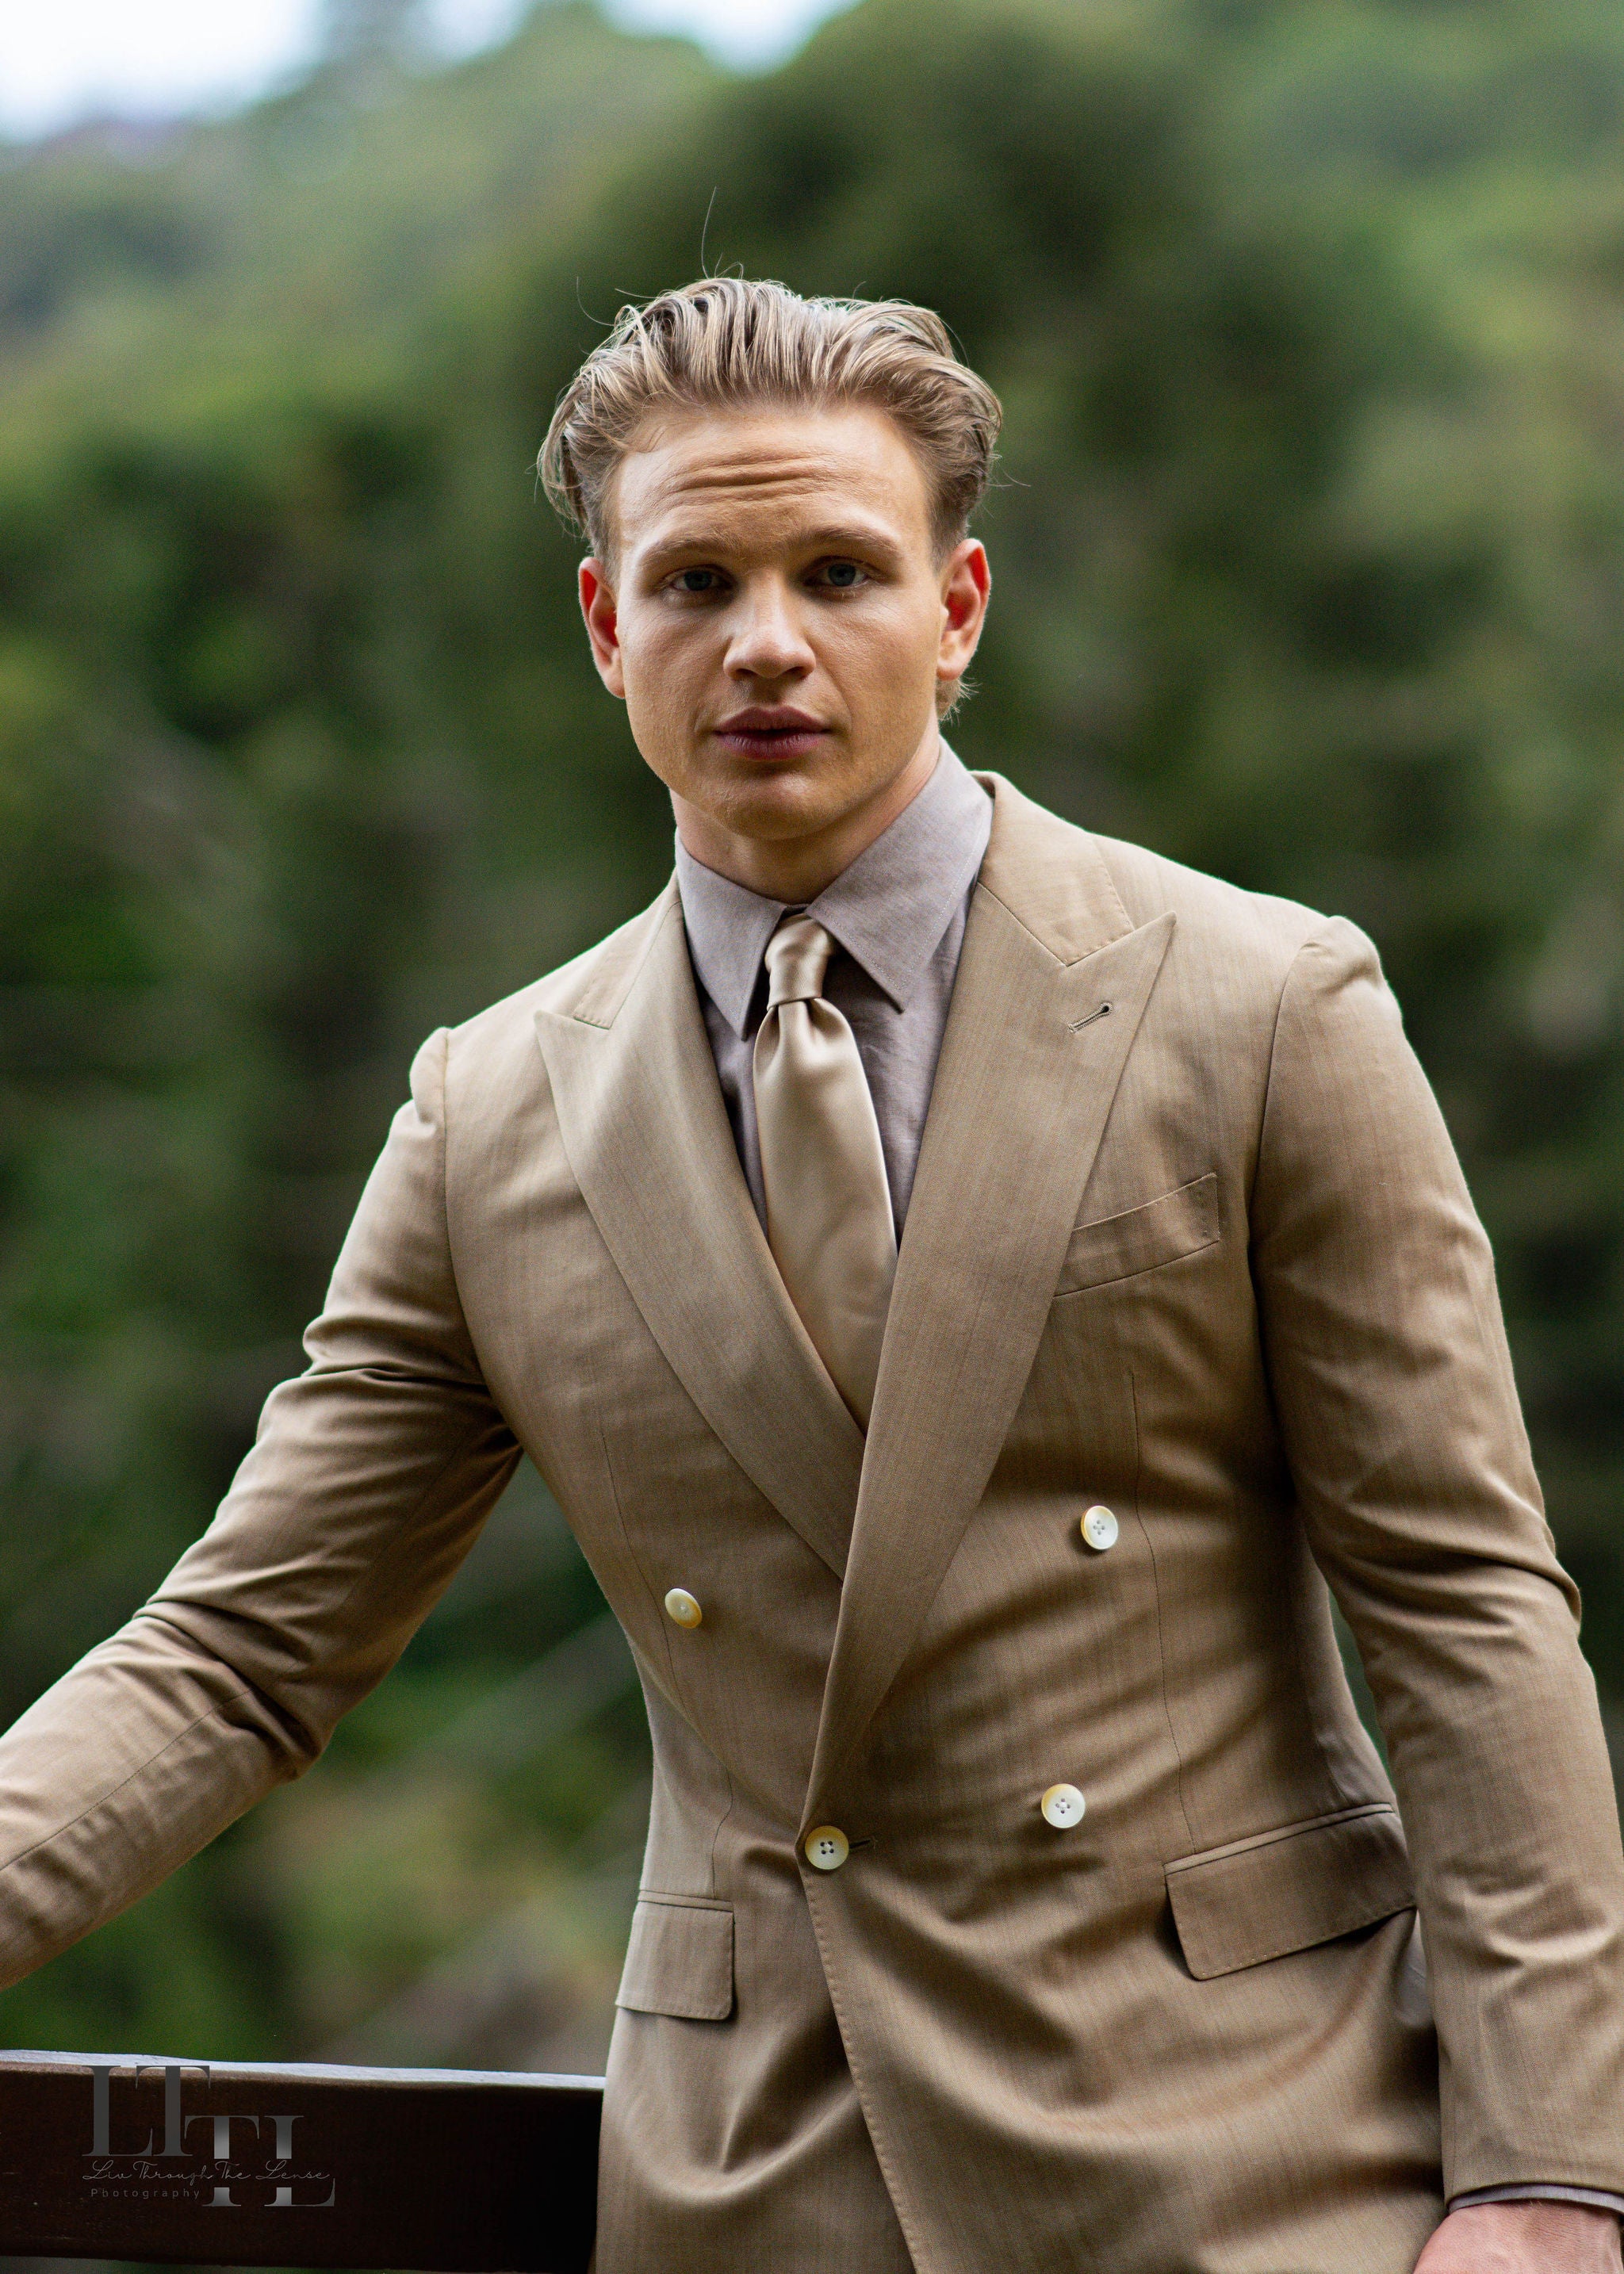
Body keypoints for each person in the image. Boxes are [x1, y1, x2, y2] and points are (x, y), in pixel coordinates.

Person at [0, 278, 1619, 2274]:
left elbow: (1462, 1605)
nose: (766, 640)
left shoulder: (1262, 1004)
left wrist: (1543, 2175)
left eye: (839, 569)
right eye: (693, 581)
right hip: (759, 2179)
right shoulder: (490, 1113)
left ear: (955, 609)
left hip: (1256, 2153)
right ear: (608, 633)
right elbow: (239, 1658)